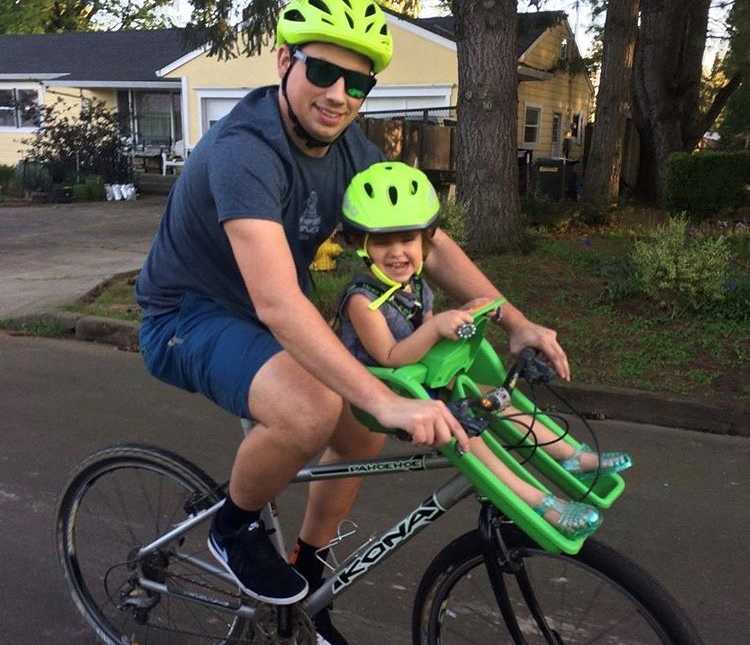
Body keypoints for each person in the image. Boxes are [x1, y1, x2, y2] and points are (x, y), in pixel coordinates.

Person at [134, 1, 573, 643]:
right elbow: (278, 305)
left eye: (359, 83)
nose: (339, 95)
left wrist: (516, 321)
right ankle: (234, 523)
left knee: (362, 429)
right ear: (285, 61)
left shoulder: (349, 150)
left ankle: (309, 575)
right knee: (313, 408)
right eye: (322, 72)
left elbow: (427, 239)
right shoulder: (245, 150)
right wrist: (383, 399)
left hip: (266, 311)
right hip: (187, 316)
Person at [335, 161, 633, 537]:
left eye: (408, 239)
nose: (397, 253)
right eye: (382, 242)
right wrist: (439, 327)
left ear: (426, 241)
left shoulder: (417, 286)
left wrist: (462, 317)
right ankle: (541, 503)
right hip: (387, 395)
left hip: (426, 383)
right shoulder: (363, 301)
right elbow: (391, 356)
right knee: (467, 436)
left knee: (497, 396)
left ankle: (572, 457)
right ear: (361, 246)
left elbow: (425, 333)